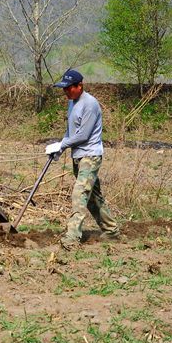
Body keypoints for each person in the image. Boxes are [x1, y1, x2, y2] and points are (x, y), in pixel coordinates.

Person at [47, 69, 119, 248]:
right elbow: (71, 131)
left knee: (79, 194)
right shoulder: (72, 103)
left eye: (68, 88)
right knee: (94, 197)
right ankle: (111, 231)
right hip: (78, 156)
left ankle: (72, 237)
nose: (65, 91)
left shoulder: (90, 104)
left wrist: (62, 144)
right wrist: (60, 147)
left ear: (79, 86)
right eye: (64, 88)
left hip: (90, 155)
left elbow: (83, 135)